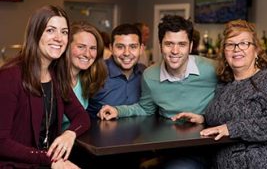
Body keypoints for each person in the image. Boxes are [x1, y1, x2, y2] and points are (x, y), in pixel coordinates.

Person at [172, 19, 267, 168]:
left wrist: (231, 129)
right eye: (230, 44)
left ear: (256, 50)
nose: (237, 49)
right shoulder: (224, 86)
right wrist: (202, 119)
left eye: (244, 43)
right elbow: (225, 118)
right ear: (225, 52)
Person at [99, 15, 217, 169]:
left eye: (181, 44)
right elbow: (145, 108)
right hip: (174, 150)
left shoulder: (213, 69)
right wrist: (117, 110)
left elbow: (235, 102)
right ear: (160, 45)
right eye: (169, 44)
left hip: (212, 145)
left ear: (190, 46)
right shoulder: (150, 75)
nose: (175, 51)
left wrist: (204, 118)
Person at [0, 5, 90, 168]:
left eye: (64, 32)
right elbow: (1, 142)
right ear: (35, 33)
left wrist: (69, 134)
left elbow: (81, 116)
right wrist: (50, 160)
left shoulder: (57, 75)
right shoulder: (9, 77)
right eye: (50, 30)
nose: (58, 38)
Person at [87, 24, 146, 118]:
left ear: (141, 49)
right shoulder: (95, 72)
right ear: (111, 48)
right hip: (98, 130)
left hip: (137, 131)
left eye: (133, 47)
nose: (126, 53)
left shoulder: (145, 74)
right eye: (120, 47)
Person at [62, 21, 107, 130]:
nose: (87, 54)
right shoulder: (52, 78)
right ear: (67, 47)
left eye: (92, 48)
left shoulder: (86, 80)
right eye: (81, 47)